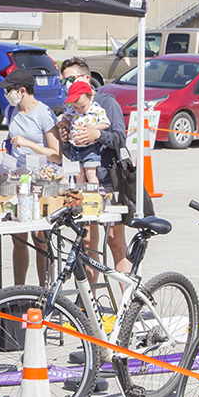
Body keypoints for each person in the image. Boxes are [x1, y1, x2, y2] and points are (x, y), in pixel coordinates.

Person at [59, 57, 132, 281]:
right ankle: (89, 304)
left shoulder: (107, 103)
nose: (67, 84)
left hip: (109, 180)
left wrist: (98, 134)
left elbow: (120, 139)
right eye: (63, 81)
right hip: (84, 183)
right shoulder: (71, 106)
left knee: (116, 241)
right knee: (89, 242)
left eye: (70, 79)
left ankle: (129, 302)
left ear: (86, 78)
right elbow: (70, 153)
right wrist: (66, 139)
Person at [0, 69, 62, 286]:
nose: (7, 94)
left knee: (41, 239)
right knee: (18, 238)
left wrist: (30, 144)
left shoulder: (44, 114)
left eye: (9, 90)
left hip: (41, 182)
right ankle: (18, 289)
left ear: (22, 91)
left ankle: (44, 291)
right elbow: (10, 139)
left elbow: (56, 154)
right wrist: (6, 155)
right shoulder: (11, 110)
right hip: (18, 179)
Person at [57, 80, 110, 187]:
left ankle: (94, 193)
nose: (79, 110)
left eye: (82, 107)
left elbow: (106, 123)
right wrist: (63, 123)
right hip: (75, 147)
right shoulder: (72, 109)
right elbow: (66, 117)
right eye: (76, 107)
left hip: (90, 147)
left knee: (90, 173)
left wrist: (94, 128)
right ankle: (80, 193)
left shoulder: (96, 109)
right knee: (78, 174)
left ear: (90, 98)